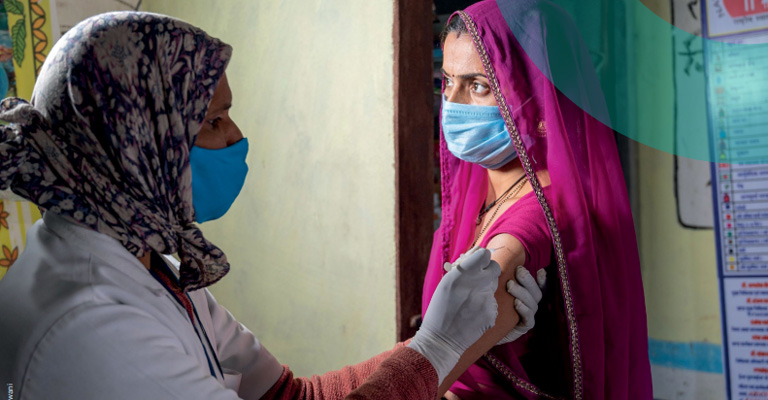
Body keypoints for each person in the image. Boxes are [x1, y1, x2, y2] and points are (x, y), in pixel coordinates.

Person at [0, 11, 547, 400]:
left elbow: (294, 396)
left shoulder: (146, 264)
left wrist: (454, 341)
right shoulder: (94, 322)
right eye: (212, 122)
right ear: (136, 147)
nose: (237, 136)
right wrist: (440, 343)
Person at [422, 1, 653, 399]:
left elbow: (422, 378)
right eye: (447, 82)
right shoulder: (479, 192)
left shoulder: (530, 223)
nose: (453, 103)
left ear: (539, 101)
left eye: (479, 86)